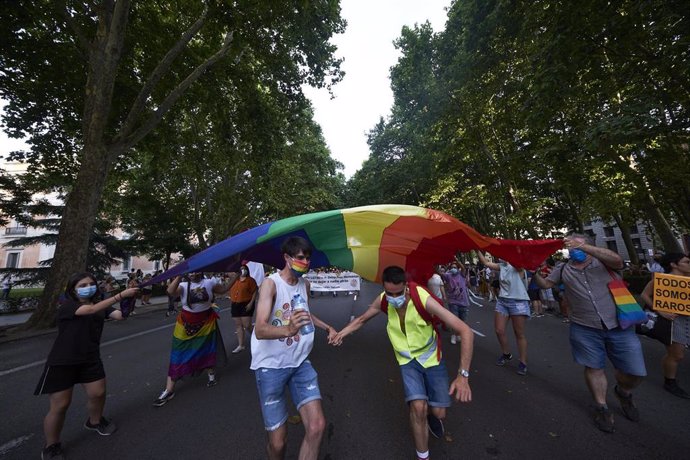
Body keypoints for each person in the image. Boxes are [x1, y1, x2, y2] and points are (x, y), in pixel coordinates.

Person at [332, 266, 473, 460]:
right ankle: (423, 455)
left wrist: (463, 376)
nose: (393, 298)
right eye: (389, 293)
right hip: (407, 361)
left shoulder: (422, 298)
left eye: (397, 293)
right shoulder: (384, 299)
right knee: (418, 407)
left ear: (406, 287)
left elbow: (466, 331)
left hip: (432, 359)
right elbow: (363, 319)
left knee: (439, 413)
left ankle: (432, 415)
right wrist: (342, 333)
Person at [533, 233, 646, 433]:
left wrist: (584, 247)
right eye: (572, 247)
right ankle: (601, 406)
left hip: (620, 326)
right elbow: (546, 284)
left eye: (578, 246)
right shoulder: (563, 268)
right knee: (594, 368)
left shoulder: (605, 263)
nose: (574, 250)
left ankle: (624, 392)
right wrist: (532, 271)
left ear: (590, 247)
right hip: (584, 327)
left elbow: (618, 260)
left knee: (635, 372)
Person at [34, 272, 139, 460]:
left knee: (98, 393)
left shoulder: (99, 305)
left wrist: (129, 301)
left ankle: (95, 421)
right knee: (60, 405)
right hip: (63, 361)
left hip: (90, 358)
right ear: (72, 289)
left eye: (91, 284)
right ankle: (52, 445)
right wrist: (121, 295)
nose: (88, 287)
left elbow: (119, 316)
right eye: (82, 285)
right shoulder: (67, 305)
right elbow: (88, 311)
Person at [251, 236, 337, 460]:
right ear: (287, 258)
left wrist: (326, 327)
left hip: (300, 363)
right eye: (300, 258)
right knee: (278, 444)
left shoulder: (304, 284)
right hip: (271, 368)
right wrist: (288, 330)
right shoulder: (270, 284)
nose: (305, 262)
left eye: (308, 258)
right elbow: (260, 328)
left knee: (317, 426)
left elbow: (305, 314)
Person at [153, 272, 234, 407]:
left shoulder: (209, 283)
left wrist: (236, 275)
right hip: (185, 325)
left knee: (207, 349)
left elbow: (224, 289)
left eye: (196, 270)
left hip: (206, 324)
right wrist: (178, 276)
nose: (193, 274)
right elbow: (170, 291)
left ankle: (211, 374)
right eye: (190, 271)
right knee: (178, 354)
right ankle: (169, 390)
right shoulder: (183, 286)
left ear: (200, 271)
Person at [640, 253, 690, 399]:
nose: (689, 264)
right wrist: (660, 311)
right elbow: (644, 295)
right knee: (677, 355)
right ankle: (670, 381)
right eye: (686, 262)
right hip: (674, 321)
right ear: (674, 264)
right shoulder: (662, 280)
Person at [477, 252, 530, 376]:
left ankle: (523, 362)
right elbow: (485, 263)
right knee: (499, 330)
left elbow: (520, 266)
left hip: (518, 302)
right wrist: (476, 247)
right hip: (502, 301)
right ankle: (506, 354)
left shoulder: (517, 266)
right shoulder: (502, 266)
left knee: (519, 333)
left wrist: (512, 252)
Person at [230, 264, 258, 353]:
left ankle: (258, 337)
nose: (243, 271)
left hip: (246, 304)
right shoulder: (234, 280)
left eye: (244, 269)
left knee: (247, 325)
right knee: (238, 325)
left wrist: (251, 303)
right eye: (241, 269)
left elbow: (255, 291)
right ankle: (241, 345)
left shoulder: (250, 280)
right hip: (235, 304)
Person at [443, 260, 470, 345]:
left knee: (462, 321)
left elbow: (462, 267)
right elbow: (439, 272)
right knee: (455, 320)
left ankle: (458, 334)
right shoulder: (448, 276)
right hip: (453, 302)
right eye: (452, 267)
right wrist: (447, 266)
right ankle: (454, 335)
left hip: (463, 302)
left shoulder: (461, 274)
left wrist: (455, 259)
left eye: (455, 267)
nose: (453, 269)